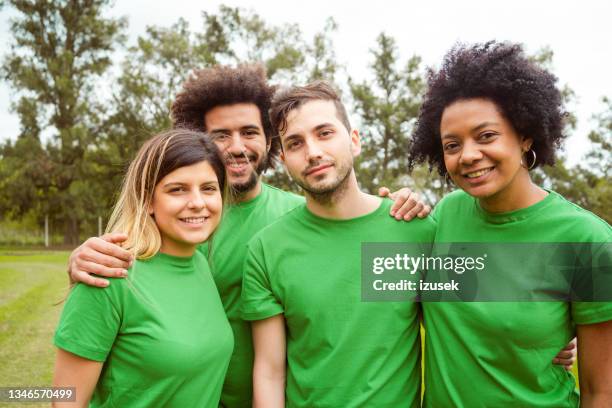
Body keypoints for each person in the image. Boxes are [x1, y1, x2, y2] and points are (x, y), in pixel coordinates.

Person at [65, 64, 430, 407]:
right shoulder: (173, 235)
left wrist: (406, 207)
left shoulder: (401, 227)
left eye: (250, 132)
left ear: (270, 146)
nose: (237, 146)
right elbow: (63, 391)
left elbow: (470, 320)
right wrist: (82, 259)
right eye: (221, 135)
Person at [409, 41, 612, 407]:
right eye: (452, 145)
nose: (468, 155)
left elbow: (602, 392)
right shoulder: (445, 216)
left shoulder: (588, 240)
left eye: (486, 136)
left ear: (524, 136)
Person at [241, 81, 437, 407]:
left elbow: (472, 324)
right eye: (295, 143)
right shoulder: (266, 249)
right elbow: (270, 372)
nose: (313, 151)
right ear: (285, 159)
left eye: (325, 133)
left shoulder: (415, 230)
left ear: (354, 140)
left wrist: (554, 331)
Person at [53, 129, 234, 407]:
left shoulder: (199, 263)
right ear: (148, 200)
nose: (198, 203)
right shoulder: (109, 275)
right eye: (177, 189)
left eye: (208, 188)